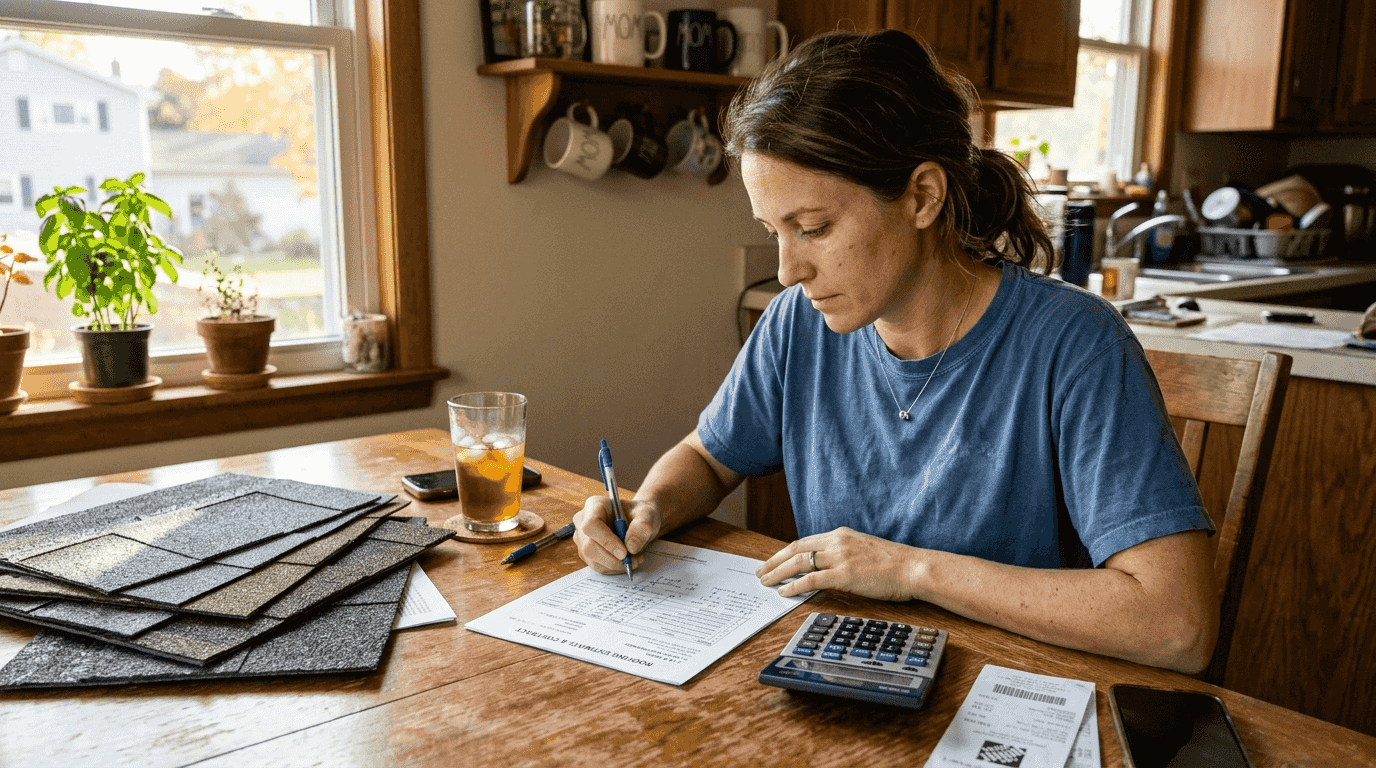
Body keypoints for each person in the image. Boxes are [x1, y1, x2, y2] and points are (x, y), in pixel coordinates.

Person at [572, 30, 1218, 674]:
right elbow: (710, 461)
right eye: (773, 232)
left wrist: (910, 569)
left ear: (922, 196)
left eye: (815, 228)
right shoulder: (798, 321)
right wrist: (650, 506)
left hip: (1014, 690)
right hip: (851, 672)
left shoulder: (1074, 343)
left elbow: (1174, 625)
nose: (789, 269)